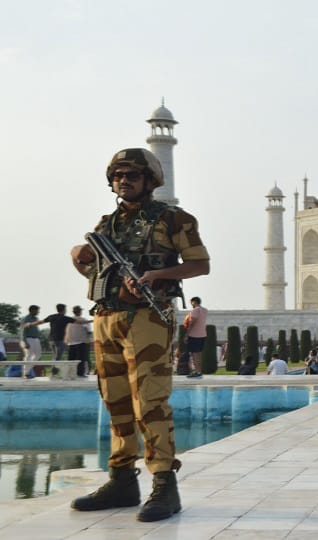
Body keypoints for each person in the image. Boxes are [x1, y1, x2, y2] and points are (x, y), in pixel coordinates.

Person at [69, 147, 210, 521]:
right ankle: (121, 480)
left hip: (148, 316)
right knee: (115, 399)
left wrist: (155, 276)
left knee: (150, 401)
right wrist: (79, 256)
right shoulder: (106, 224)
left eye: (132, 175)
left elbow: (199, 264)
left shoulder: (173, 219)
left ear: (150, 180)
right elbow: (94, 269)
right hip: (107, 316)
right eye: (118, 176)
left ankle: (164, 483)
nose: (124, 181)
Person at [182, 297, 208, 378]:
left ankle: (197, 372)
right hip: (202, 335)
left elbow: (192, 323)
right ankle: (199, 371)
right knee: (199, 354)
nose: (191, 304)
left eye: (191, 302)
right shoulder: (205, 310)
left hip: (194, 335)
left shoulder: (195, 310)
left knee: (194, 355)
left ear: (194, 302)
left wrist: (186, 335)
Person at [65, 306, 93, 377]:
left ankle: (70, 373)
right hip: (81, 342)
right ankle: (80, 373)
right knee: (82, 359)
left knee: (71, 359)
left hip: (70, 343)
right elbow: (89, 331)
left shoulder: (69, 321)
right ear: (80, 312)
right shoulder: (83, 320)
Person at [19, 305, 43, 375]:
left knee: (38, 355)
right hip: (28, 339)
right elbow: (22, 331)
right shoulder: (26, 318)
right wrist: (25, 342)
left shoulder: (36, 318)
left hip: (36, 339)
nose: (38, 312)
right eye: (37, 310)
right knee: (28, 356)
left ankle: (27, 371)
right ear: (32, 310)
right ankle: (25, 373)